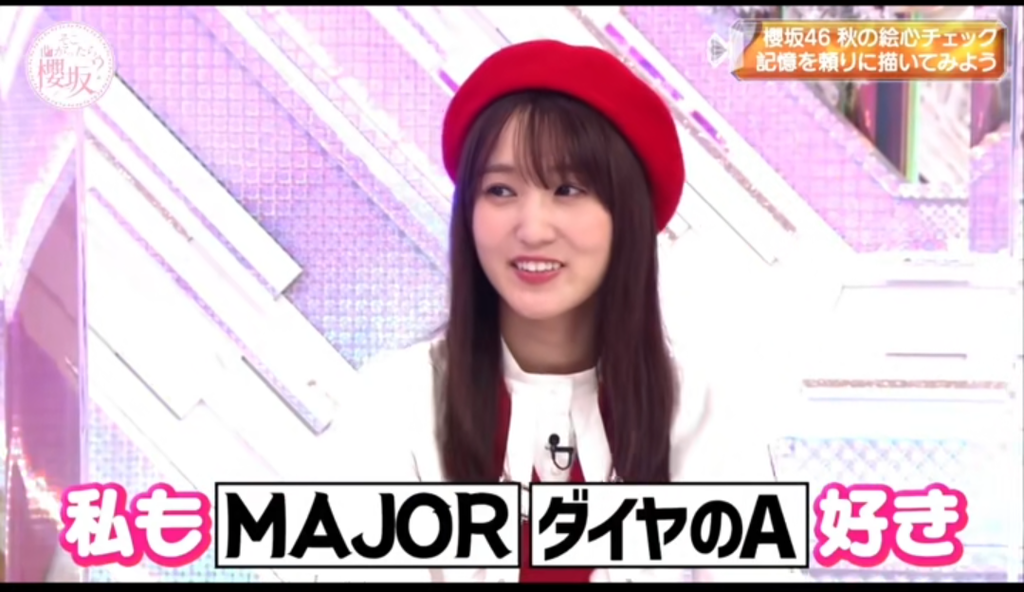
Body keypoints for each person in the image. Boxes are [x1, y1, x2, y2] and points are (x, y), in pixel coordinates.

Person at [322, 40, 798, 583]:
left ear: (627, 216)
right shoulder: (393, 403)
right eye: (501, 190)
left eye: (567, 189)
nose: (532, 229)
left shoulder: (705, 409)